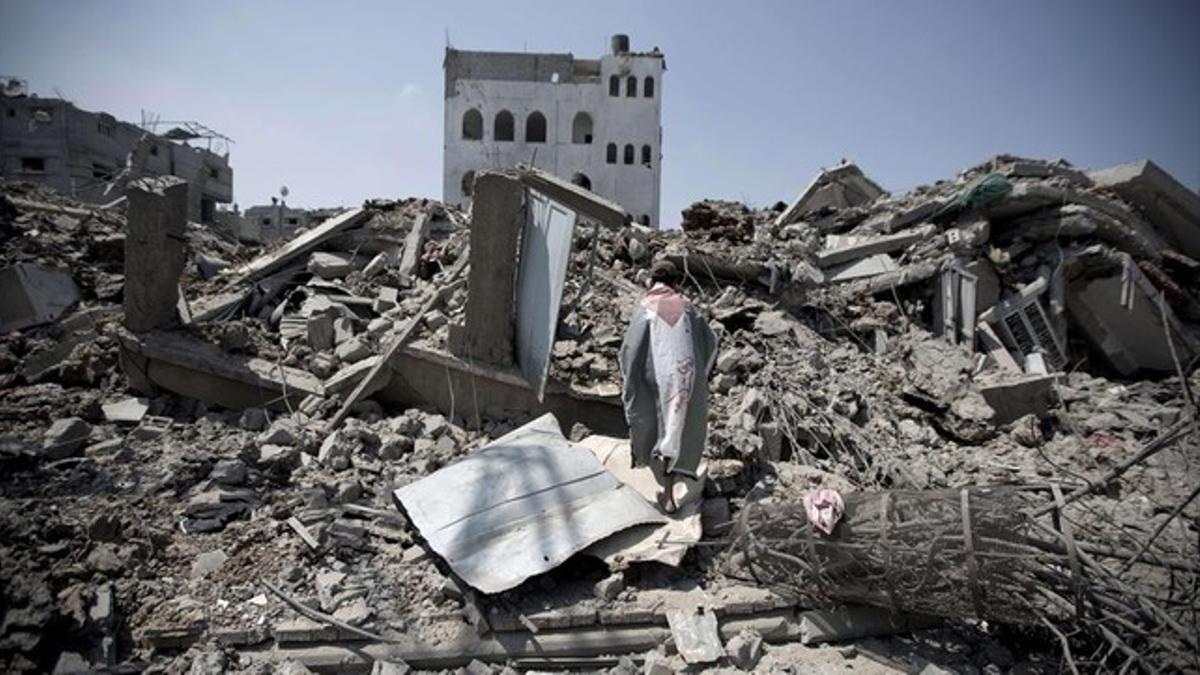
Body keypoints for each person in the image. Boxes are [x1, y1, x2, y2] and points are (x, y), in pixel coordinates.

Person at [618, 260, 719, 512]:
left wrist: (633, 378)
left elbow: (631, 349)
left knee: (657, 427)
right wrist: (698, 376)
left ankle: (667, 493)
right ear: (677, 282)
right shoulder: (688, 308)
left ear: (652, 281)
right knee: (679, 429)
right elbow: (711, 342)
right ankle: (672, 490)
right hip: (686, 381)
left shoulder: (646, 307)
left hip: (656, 381)